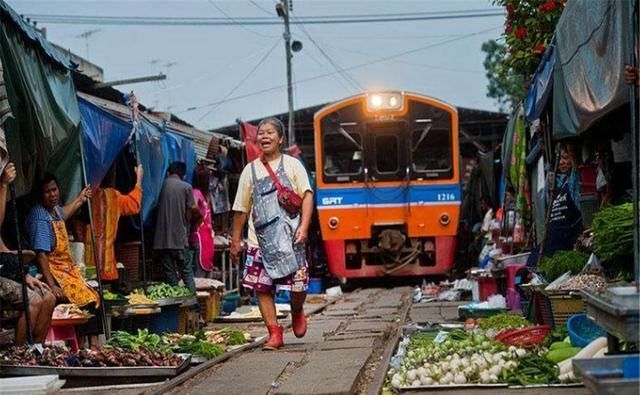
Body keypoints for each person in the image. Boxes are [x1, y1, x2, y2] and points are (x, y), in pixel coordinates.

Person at [230, 118, 313, 351]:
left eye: (270, 133)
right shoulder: (250, 170)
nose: (264, 137)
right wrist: (236, 240)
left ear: (281, 139)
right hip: (260, 242)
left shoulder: (293, 165)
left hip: (291, 238)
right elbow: (240, 209)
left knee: (298, 287)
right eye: (261, 133)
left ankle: (297, 309)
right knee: (262, 288)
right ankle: (274, 333)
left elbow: (307, 196)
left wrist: (304, 227)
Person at [0, 163, 55, 344]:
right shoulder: (39, 214)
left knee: (48, 296)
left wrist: (23, 274)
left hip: (6, 271)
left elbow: (3, 250)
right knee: (34, 300)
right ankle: (19, 352)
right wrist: (3, 185)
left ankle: (36, 350)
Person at [26, 173, 99, 307]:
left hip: (65, 269)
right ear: (40, 195)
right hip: (52, 271)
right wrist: (53, 286)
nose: (52, 194)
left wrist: (80, 199)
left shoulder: (54, 210)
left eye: (54, 190)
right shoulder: (40, 217)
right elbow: (41, 255)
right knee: (86, 299)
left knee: (91, 292)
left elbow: (64, 212)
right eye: (47, 192)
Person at [84, 165, 143, 281]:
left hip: (85, 262)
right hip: (107, 265)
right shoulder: (114, 196)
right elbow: (134, 205)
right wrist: (139, 180)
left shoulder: (85, 194)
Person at [153, 161, 197, 295]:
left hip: (161, 240)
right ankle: (193, 308)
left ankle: (176, 308)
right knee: (187, 273)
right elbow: (190, 212)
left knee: (170, 274)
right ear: (183, 175)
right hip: (179, 239)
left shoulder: (159, 185)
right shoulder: (186, 187)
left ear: (168, 173)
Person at [543, 143, 582, 257]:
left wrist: (572, 155)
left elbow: (576, 171)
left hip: (566, 243)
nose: (561, 162)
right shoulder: (560, 183)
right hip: (552, 243)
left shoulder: (573, 181)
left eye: (565, 158)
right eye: (559, 159)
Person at [190, 163, 215, 279]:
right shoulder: (196, 192)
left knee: (207, 267)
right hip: (199, 236)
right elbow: (194, 206)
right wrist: (200, 217)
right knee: (199, 273)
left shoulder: (206, 195)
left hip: (207, 236)